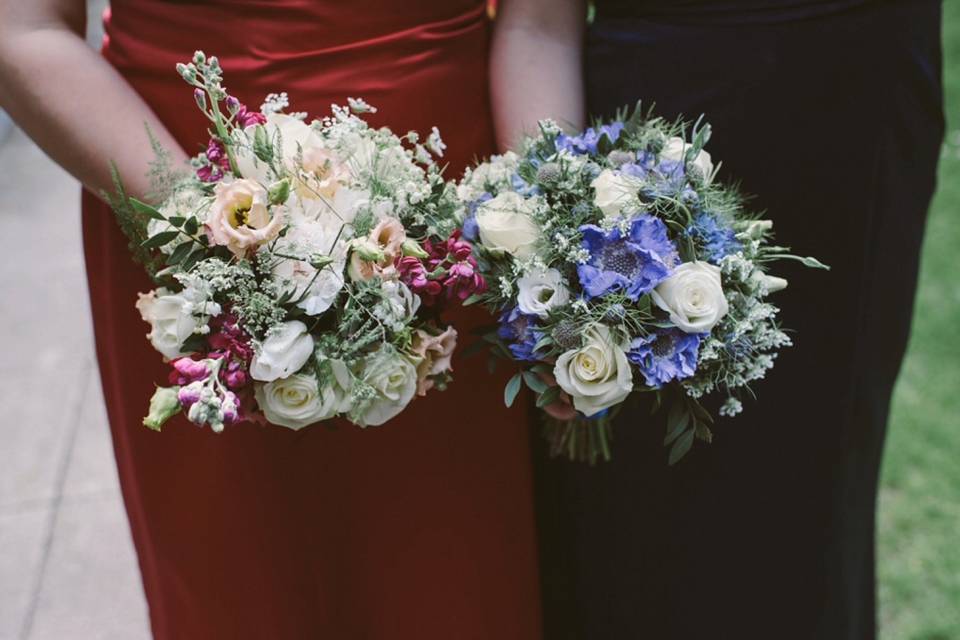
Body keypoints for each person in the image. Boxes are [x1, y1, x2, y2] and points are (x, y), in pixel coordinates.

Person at [0, 2, 542, 637]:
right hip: (180, 183)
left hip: (445, 210)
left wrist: (545, 240)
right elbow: (22, 27)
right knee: (245, 572)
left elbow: (538, 22)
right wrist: (215, 235)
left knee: (445, 563)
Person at [491, 0, 944, 638]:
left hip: (856, 129)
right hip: (643, 144)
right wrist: (554, 240)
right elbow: (538, 24)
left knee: (813, 495)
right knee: (637, 523)